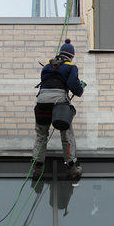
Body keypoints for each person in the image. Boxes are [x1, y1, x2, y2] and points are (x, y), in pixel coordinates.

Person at [32, 39, 85, 180]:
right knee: (66, 133)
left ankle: (37, 166)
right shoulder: (71, 66)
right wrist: (80, 89)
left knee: (41, 134)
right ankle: (71, 167)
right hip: (58, 104)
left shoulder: (47, 66)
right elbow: (73, 84)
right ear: (71, 56)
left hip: (42, 102)